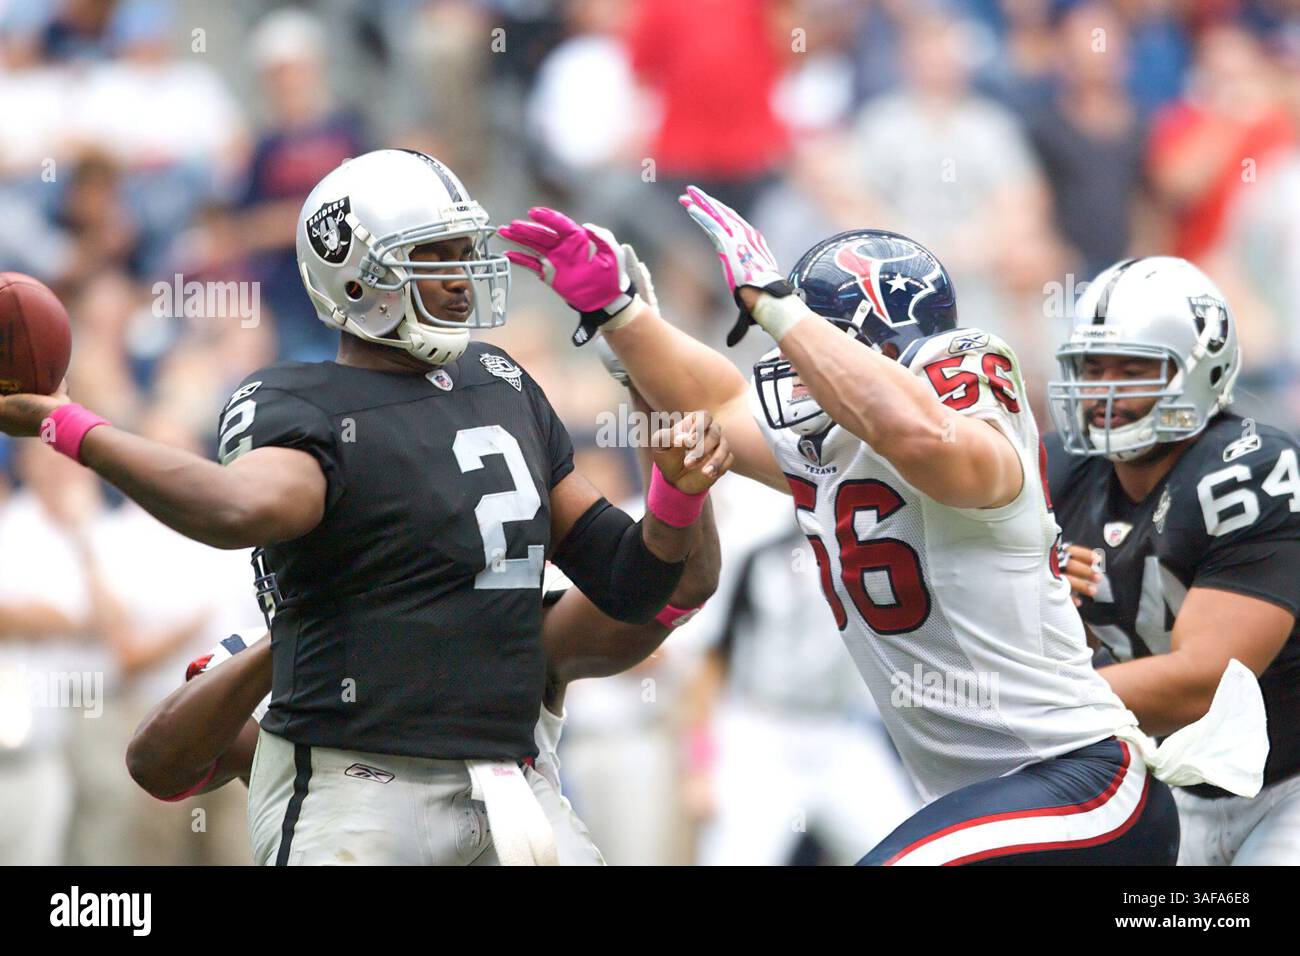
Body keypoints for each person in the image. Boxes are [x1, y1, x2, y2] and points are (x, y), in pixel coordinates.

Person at [0, 149, 728, 865]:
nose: (460, 281)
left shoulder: (502, 381)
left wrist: (674, 483)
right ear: (355, 278)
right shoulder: (301, 401)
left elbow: (637, 582)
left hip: (513, 786)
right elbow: (232, 512)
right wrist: (64, 424)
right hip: (363, 795)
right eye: (432, 257)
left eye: (461, 252)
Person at [496, 191, 1264, 864]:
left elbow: (923, 438)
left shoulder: (970, 403)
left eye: (812, 344)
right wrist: (620, 314)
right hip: (1003, 805)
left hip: (1082, 785)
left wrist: (781, 308)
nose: (792, 368)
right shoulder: (832, 448)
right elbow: (713, 404)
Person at [127, 465, 721, 866]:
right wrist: (296, 636)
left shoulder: (513, 633)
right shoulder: (265, 666)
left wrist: (681, 489)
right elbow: (158, 765)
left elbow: (677, 591)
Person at [1047, 256, 1300, 866]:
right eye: (1092, 369)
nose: (1103, 394)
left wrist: (1028, 702)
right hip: (1173, 788)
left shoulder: (1249, 470)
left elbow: (1204, 683)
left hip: (1290, 784)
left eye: (1132, 370)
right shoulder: (1059, 473)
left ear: (1199, 371)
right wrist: (1035, 594)